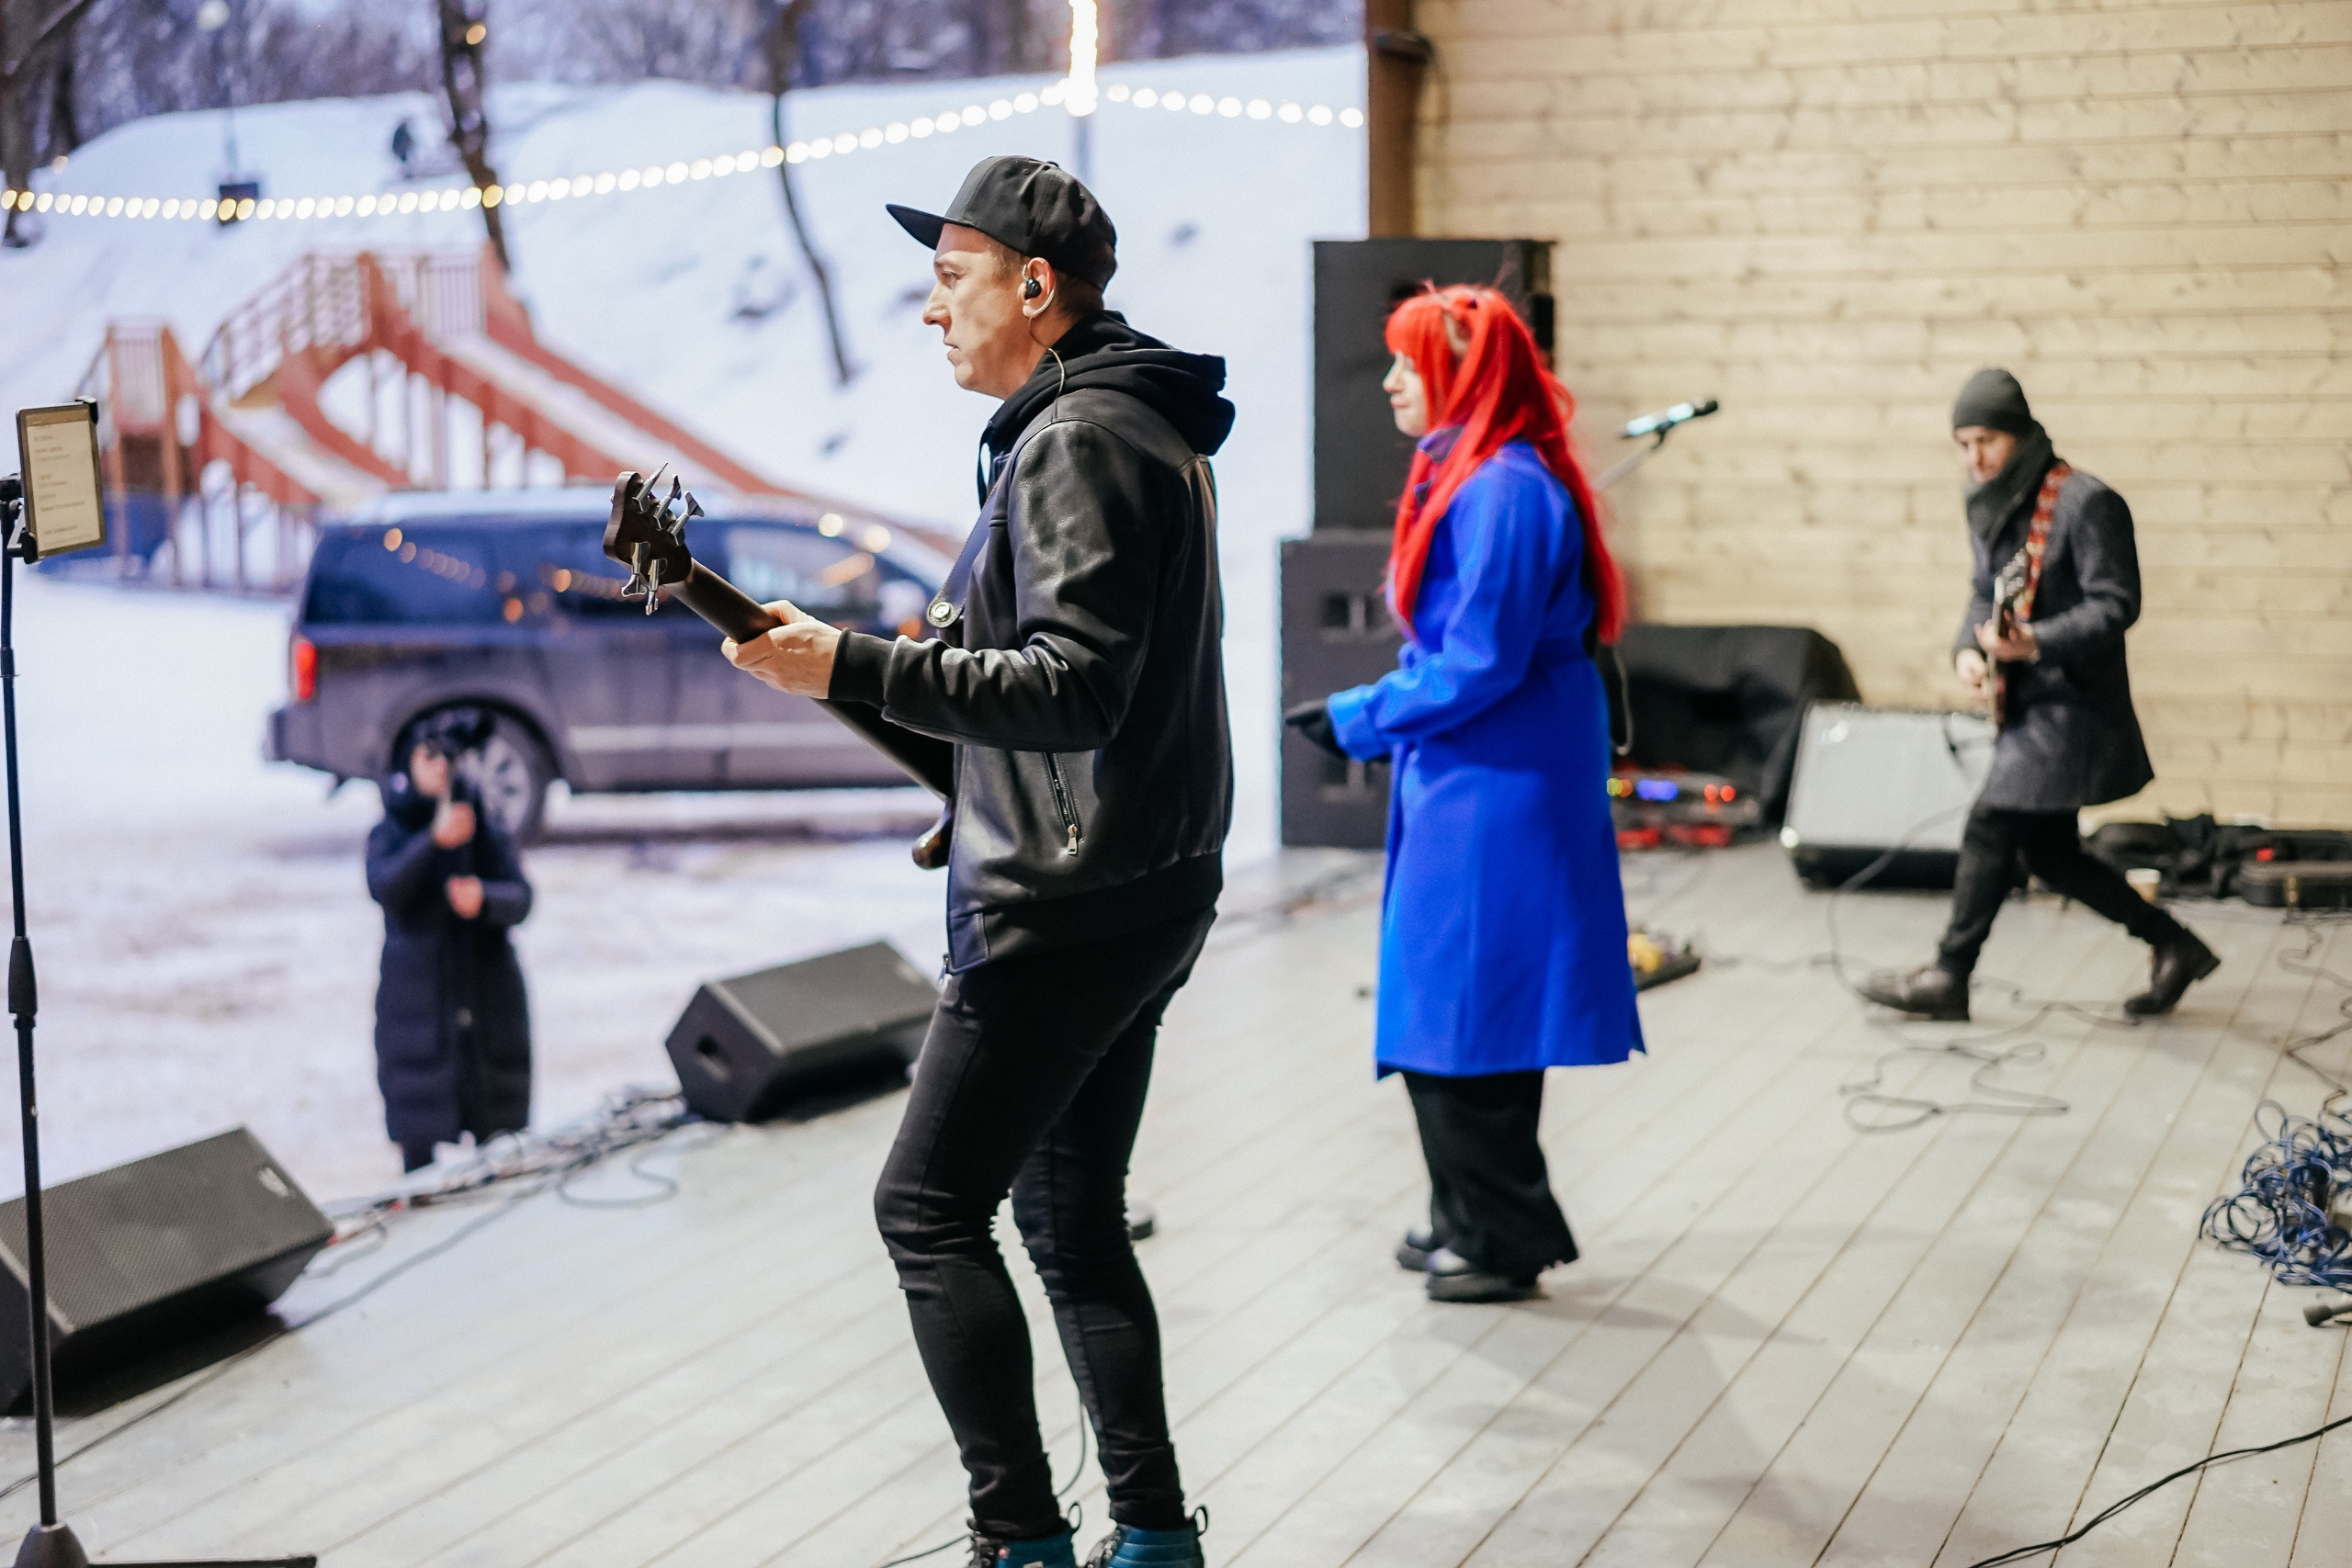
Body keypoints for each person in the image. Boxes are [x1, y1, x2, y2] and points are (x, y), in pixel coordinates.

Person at [718, 156, 1231, 1568]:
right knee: (1067, 1219)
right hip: (1145, 885)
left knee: (926, 1207)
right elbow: (1043, 680)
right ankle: (1151, 1532)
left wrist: (857, 661)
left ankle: (1020, 1538)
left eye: (951, 279)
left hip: (1066, 907)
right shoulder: (1125, 424)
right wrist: (852, 667)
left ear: (1034, 286)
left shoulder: (1077, 438)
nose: (930, 310)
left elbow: (1075, 686)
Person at [1284, 285, 1644, 1305]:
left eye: (1408, 362)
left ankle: (1499, 1232)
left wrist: (1358, 715)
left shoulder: (1502, 490)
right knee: (1452, 1005)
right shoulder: (1482, 475)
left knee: (1468, 1010)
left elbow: (1476, 661)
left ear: (1460, 373)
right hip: (1478, 770)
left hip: (1500, 779)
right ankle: (1466, 1210)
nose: (1391, 381)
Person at [1858, 368, 2217, 1021]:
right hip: (2028, 707)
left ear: (2020, 433)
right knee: (2050, 855)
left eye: (1986, 439)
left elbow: (2118, 604)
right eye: (1963, 443)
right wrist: (1968, 650)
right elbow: (1980, 589)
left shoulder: (2085, 502)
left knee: (1991, 823)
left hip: (2075, 706)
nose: (1974, 457)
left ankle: (1949, 972)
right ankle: (2175, 944)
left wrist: (2037, 641)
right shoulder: (1988, 498)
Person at [365, 708, 534, 1174]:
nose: (440, 767)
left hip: (487, 999)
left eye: (448, 758)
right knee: (419, 1136)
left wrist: (485, 899)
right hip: (417, 1005)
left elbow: (521, 896)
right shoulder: (391, 831)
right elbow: (387, 888)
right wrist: (433, 843)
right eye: (428, 756)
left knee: (498, 1132)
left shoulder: (483, 826)